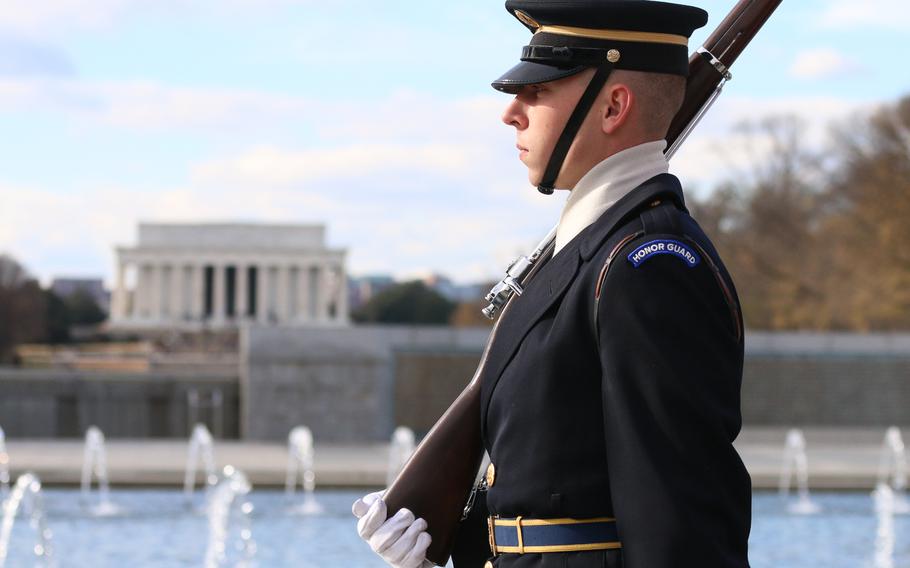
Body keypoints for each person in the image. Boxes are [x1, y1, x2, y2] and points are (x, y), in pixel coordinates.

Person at [354, 1, 752, 566]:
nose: (511, 113)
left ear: (614, 105)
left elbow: (679, 525)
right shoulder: (589, 251)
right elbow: (551, 488)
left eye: (538, 92)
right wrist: (447, 535)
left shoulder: (649, 264)